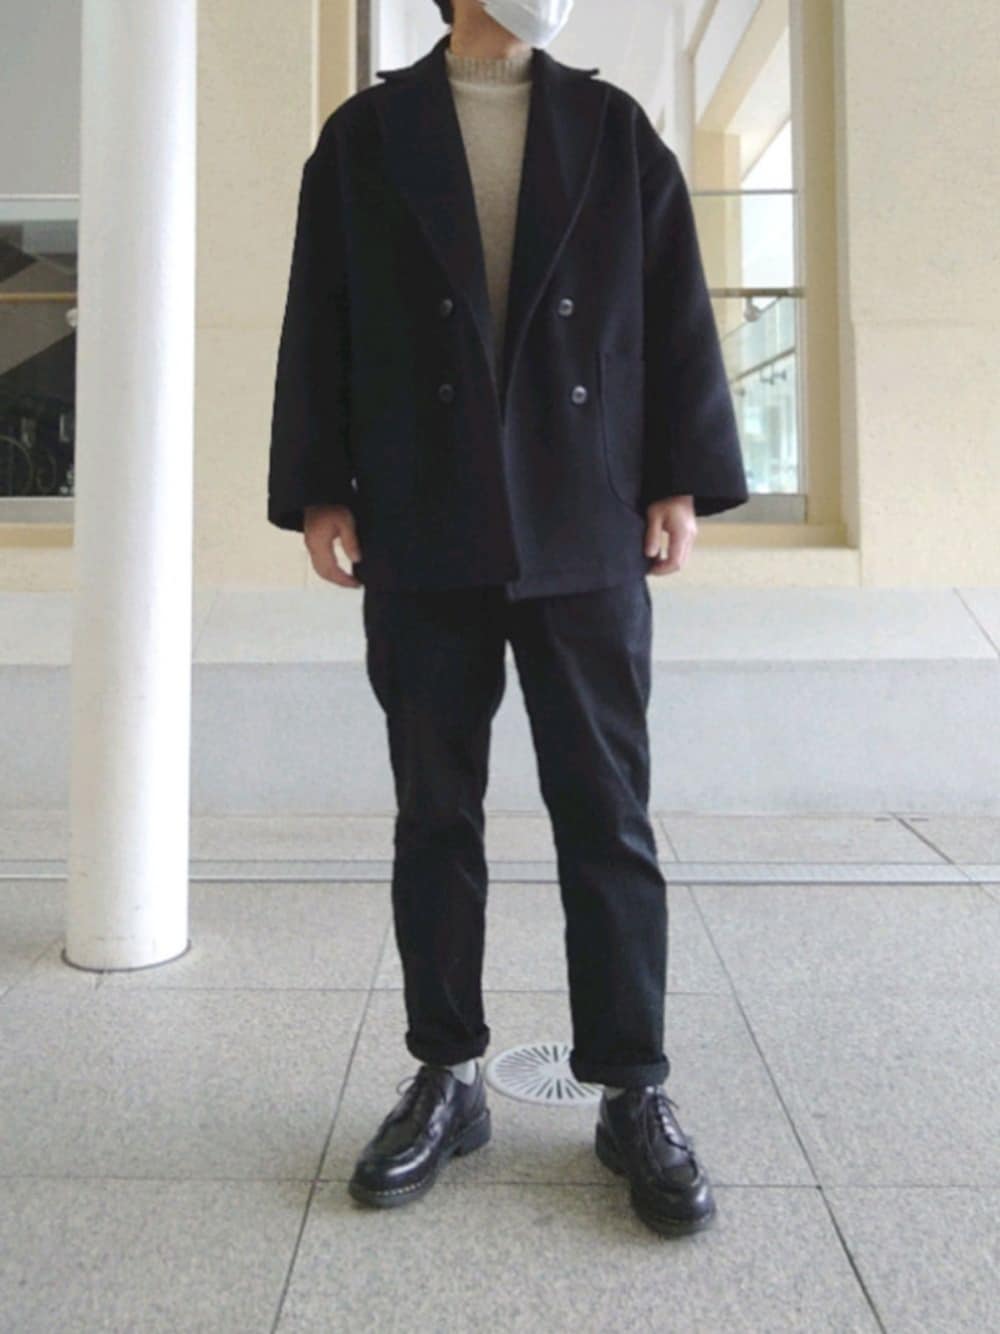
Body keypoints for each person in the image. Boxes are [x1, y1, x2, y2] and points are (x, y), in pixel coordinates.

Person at [267, 0, 749, 1236]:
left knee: (608, 809)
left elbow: (672, 308)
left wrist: (677, 477)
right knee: (435, 809)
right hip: (422, 514)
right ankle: (448, 1073)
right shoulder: (366, 135)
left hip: (585, 517)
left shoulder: (613, 129)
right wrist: (319, 483)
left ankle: (632, 1086)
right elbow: (319, 315)